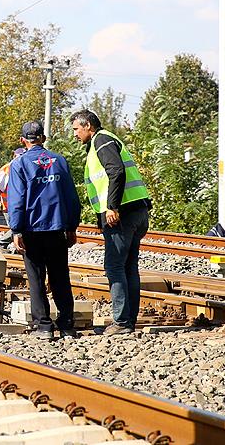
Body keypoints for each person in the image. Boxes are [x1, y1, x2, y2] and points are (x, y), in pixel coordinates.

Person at [71, 109, 151, 335]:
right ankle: (128, 319)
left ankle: (122, 322)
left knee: (115, 267)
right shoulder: (107, 140)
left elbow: (116, 170)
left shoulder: (102, 140)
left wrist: (112, 207)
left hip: (122, 214)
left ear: (88, 126)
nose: (75, 134)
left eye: (76, 129)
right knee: (128, 267)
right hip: (137, 210)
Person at [8, 122, 81, 340]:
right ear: (44, 138)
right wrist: (72, 226)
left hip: (32, 230)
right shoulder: (59, 161)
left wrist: (16, 230)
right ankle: (67, 323)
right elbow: (71, 196)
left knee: (36, 278)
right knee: (60, 275)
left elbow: (17, 200)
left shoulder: (19, 164)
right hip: (57, 228)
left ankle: (44, 326)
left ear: (23, 141)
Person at [0, 147, 27, 248]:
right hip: (8, 205)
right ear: (14, 156)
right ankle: (1, 243)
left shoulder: (25, 167)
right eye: (19, 156)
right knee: (16, 228)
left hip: (20, 204)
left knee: (19, 227)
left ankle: (16, 247)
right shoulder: (7, 169)